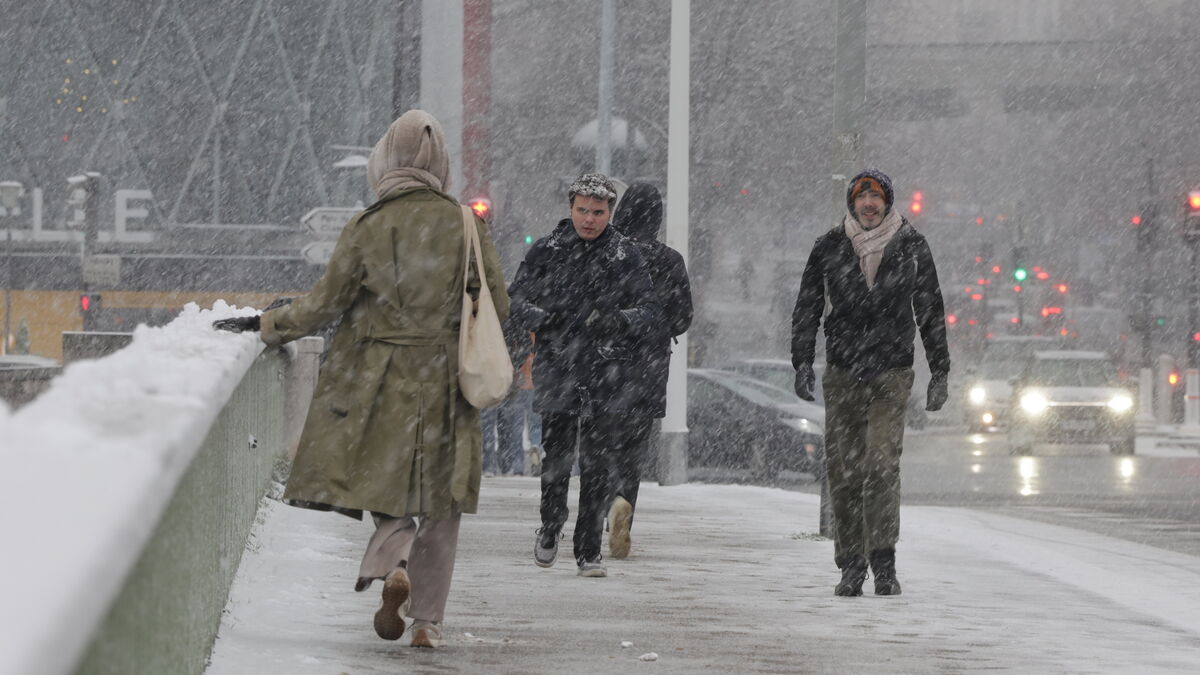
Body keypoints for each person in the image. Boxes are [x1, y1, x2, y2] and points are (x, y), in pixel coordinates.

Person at [213, 110, 509, 647]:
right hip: (446, 381)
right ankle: (427, 623)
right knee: (442, 501)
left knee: (385, 485)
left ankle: (394, 558)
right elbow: (497, 304)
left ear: (385, 161)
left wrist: (265, 324)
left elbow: (324, 306)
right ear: (440, 163)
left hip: (381, 379)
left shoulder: (369, 226)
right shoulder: (468, 224)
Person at [790, 169, 950, 597]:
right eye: (862, 197)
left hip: (891, 372)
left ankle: (883, 560)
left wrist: (940, 371)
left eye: (876, 197)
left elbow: (930, 309)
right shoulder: (829, 247)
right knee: (844, 470)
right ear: (851, 203)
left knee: (881, 466)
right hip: (843, 372)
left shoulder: (912, 245)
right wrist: (802, 361)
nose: (869, 204)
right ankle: (851, 564)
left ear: (888, 202)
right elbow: (807, 308)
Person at [507, 172, 661, 578]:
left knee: (597, 463)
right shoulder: (547, 250)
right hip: (558, 365)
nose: (589, 219)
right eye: (582, 210)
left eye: (598, 212)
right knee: (557, 457)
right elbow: (517, 300)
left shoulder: (624, 254)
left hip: (607, 369)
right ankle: (550, 524)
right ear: (570, 207)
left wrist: (614, 321)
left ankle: (588, 546)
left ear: (610, 212)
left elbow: (649, 309)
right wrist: (545, 318)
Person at [606, 182, 692, 560]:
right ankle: (625, 506)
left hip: (605, 364)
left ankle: (599, 513)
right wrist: (658, 330)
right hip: (649, 370)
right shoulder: (669, 260)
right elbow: (683, 316)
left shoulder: (609, 253)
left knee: (599, 444)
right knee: (632, 451)